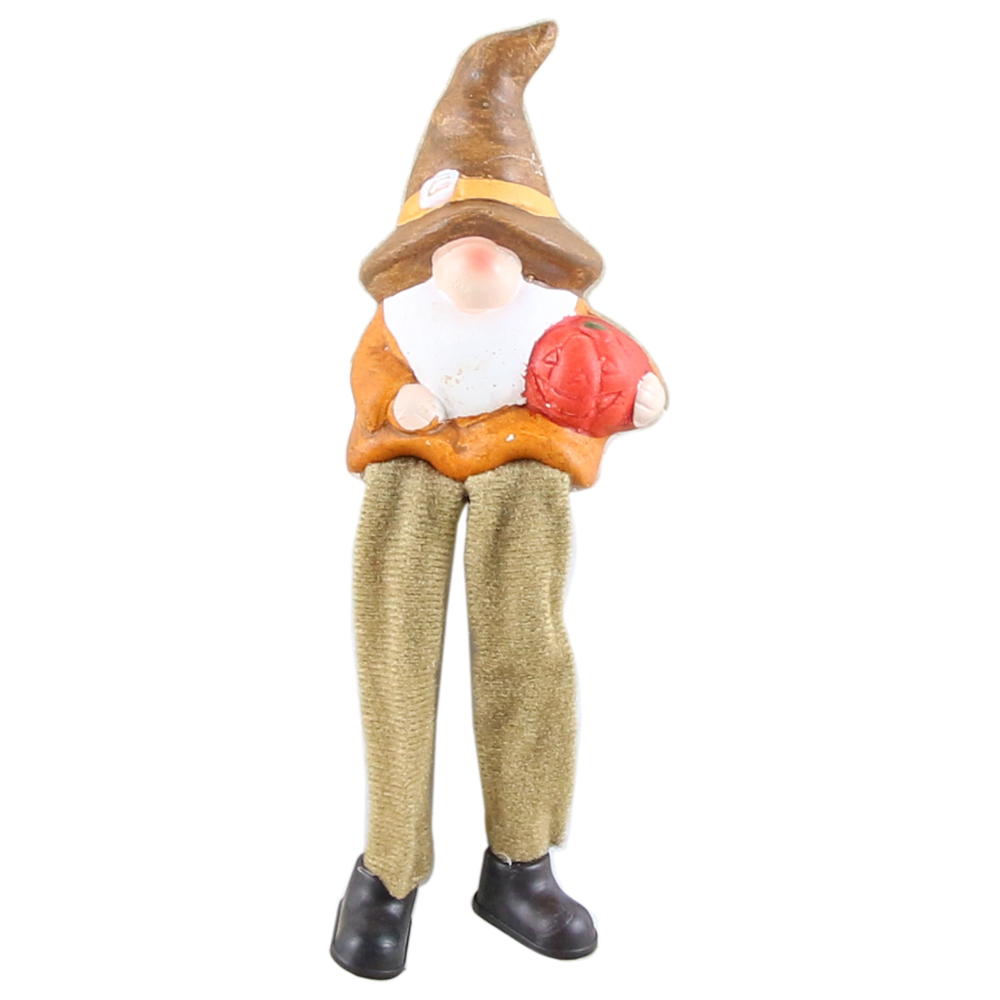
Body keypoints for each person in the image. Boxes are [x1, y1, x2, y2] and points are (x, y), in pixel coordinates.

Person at [330, 23, 666, 980]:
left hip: (524, 462)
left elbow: (615, 367)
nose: (479, 260)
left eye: (500, 243)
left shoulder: (560, 317)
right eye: (458, 241)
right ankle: (387, 869)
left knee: (526, 647)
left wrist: (637, 395)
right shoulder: (401, 321)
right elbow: (372, 375)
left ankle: (521, 864)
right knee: (396, 654)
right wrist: (399, 399)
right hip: (413, 463)